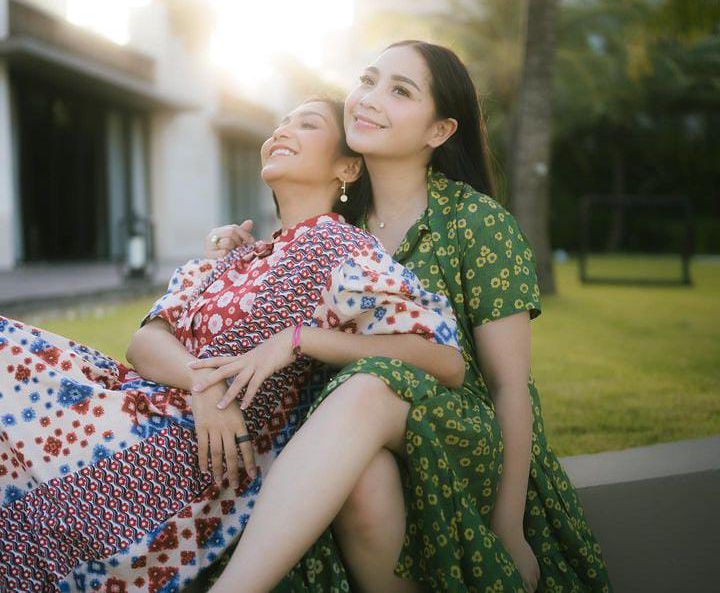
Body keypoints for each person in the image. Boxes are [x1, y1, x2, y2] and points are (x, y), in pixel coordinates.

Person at [0, 98, 465, 592]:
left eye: (306, 124)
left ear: (347, 168)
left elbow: (443, 357)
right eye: (280, 122)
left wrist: (301, 339)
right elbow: (145, 341)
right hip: (146, 401)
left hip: (192, 452)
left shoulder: (343, 251)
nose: (281, 131)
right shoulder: (237, 254)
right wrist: (204, 382)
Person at [201, 41, 613, 593]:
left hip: (461, 432)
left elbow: (509, 385)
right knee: (365, 476)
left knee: (371, 383)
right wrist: (236, 255)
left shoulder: (474, 221)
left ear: (439, 131)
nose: (369, 99)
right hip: (349, 429)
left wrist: (509, 526)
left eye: (399, 91)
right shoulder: (336, 223)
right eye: (368, 80)